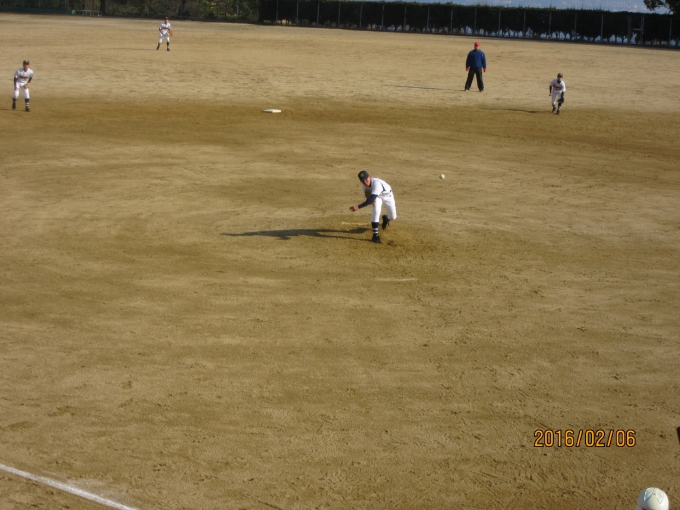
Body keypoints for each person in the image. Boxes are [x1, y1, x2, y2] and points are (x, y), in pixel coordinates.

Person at [349, 170, 397, 244]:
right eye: (363, 181)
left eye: (366, 179)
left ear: (369, 177)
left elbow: (371, 199)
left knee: (393, 217)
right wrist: (369, 200)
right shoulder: (364, 187)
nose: (365, 182)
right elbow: (370, 199)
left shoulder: (376, 183)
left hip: (388, 196)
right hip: (377, 197)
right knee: (376, 210)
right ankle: (375, 236)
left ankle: (386, 218)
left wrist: (358, 206)